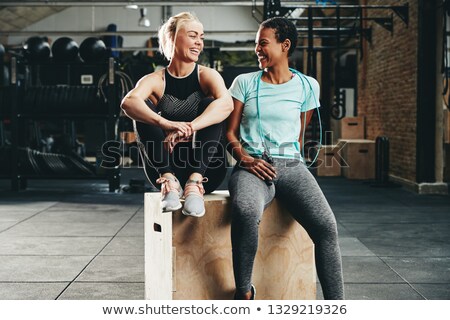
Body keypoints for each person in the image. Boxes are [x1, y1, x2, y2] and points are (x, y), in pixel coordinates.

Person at [227, 17, 344, 300]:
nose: (257, 49)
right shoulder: (244, 82)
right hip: (252, 166)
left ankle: (337, 306)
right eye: (257, 44)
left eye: (263, 43)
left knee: (327, 228)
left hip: (291, 166)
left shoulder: (307, 86)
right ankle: (243, 291)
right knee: (245, 210)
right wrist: (246, 159)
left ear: (285, 45)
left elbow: (299, 135)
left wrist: (292, 166)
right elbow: (228, 134)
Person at [121, 12, 233, 217]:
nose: (199, 42)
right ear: (172, 38)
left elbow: (226, 105)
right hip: (166, 170)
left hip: (207, 172)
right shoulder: (156, 80)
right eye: (193, 35)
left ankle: (194, 184)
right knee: (142, 107)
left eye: (201, 37)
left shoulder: (207, 76)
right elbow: (128, 102)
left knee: (212, 104)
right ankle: (170, 181)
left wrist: (190, 127)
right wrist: (165, 123)